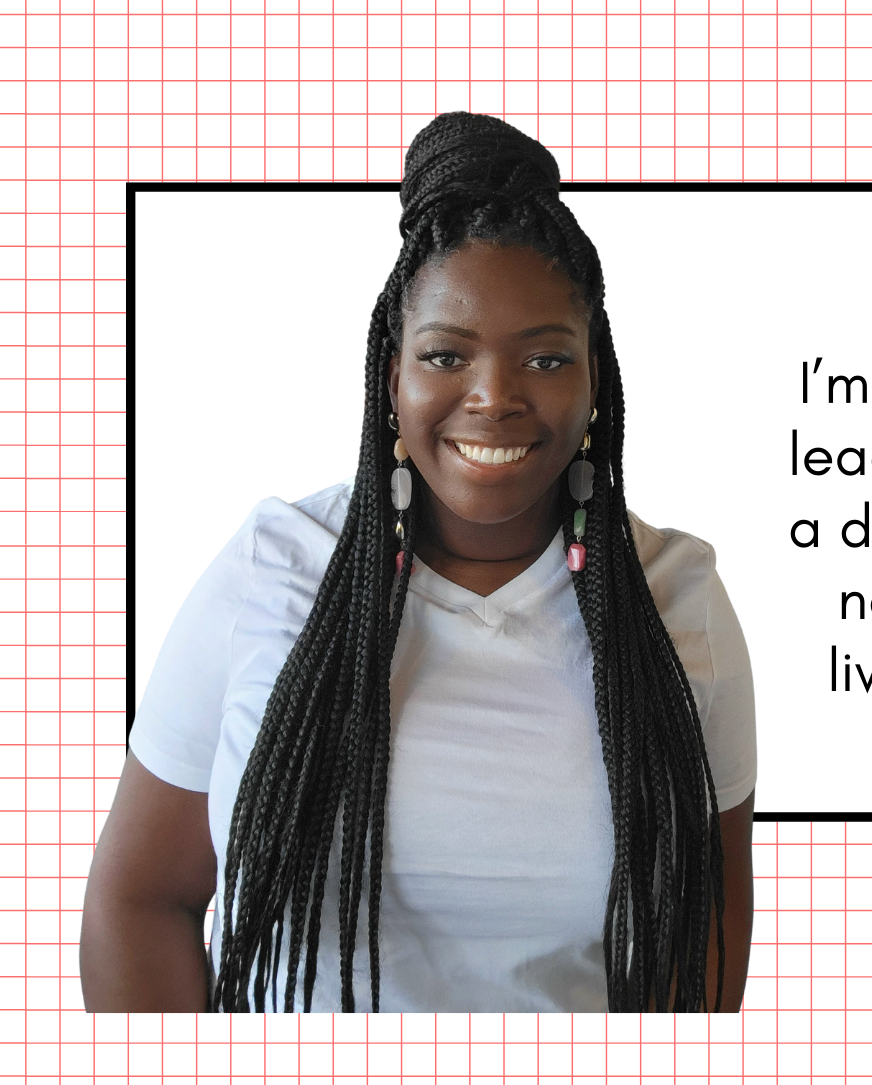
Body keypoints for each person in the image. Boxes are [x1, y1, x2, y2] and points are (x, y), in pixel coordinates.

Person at [80, 112, 756, 1012]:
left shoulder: (675, 599)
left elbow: (705, 927)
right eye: (446, 355)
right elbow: (141, 898)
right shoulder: (274, 569)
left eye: (545, 357)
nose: (494, 396)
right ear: (392, 378)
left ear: (594, 379)